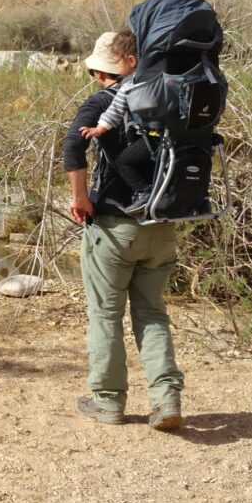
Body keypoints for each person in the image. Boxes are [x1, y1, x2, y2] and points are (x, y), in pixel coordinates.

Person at [65, 31, 184, 430]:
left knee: (105, 316)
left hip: (115, 228)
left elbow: (72, 147)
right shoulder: (168, 97)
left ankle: (109, 403)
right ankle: (166, 401)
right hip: (162, 225)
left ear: (101, 72)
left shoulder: (102, 102)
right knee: (152, 313)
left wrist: (80, 197)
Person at [77, 27, 156, 213]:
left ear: (131, 60)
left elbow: (115, 111)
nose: (116, 68)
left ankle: (144, 192)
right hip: (179, 137)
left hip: (156, 137)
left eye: (116, 62)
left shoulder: (129, 84)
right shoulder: (159, 76)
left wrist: (98, 130)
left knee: (123, 161)